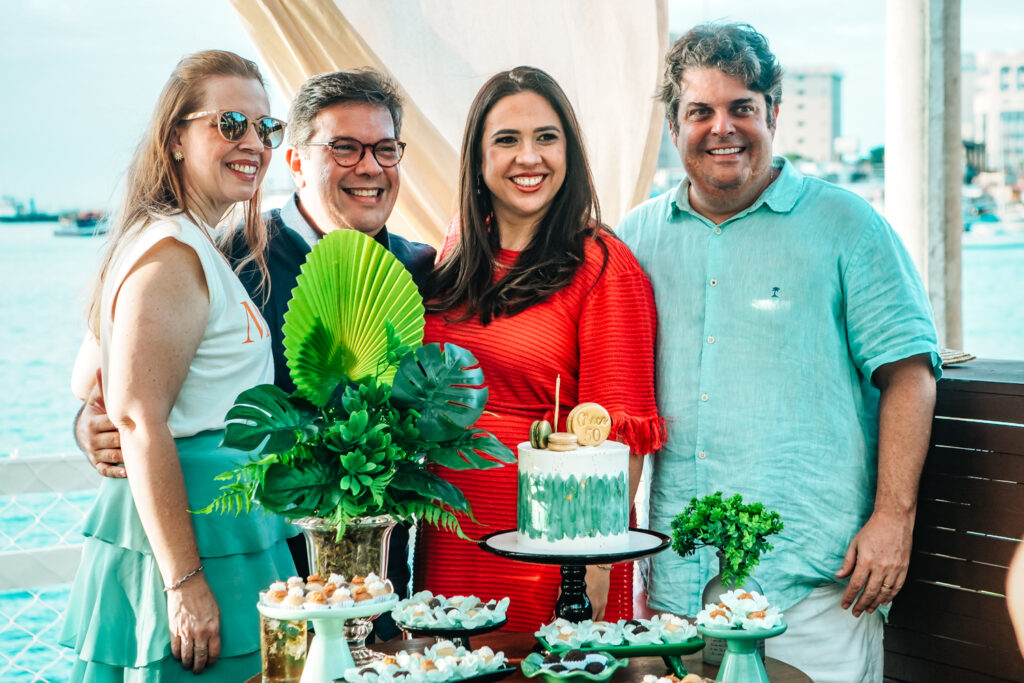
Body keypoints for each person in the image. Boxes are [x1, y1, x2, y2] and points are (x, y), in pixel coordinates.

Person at [616, 23, 940, 682]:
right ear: (674, 126)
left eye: (742, 107)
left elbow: (910, 372)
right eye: (700, 111)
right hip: (678, 592)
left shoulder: (850, 224)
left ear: (774, 114)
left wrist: (891, 517)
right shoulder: (633, 239)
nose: (722, 127)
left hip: (817, 586)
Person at [72, 69, 435, 641]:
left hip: (380, 577)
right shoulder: (227, 252)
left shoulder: (421, 269)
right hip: (258, 566)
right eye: (343, 147)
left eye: (385, 149)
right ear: (294, 162)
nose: (369, 167)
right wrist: (90, 424)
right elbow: (109, 372)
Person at [60, 50, 297, 679]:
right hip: (194, 539)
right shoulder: (171, 250)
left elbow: (91, 382)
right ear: (174, 139)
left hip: (221, 526)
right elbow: (138, 417)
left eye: (266, 128)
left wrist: (95, 420)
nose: (254, 142)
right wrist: (185, 583)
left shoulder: (182, 239)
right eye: (230, 124)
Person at [417, 66, 666, 632]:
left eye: (546, 138)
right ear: (478, 160)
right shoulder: (458, 246)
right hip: (451, 532)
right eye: (506, 140)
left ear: (569, 153)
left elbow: (620, 436)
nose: (529, 157)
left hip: (557, 544)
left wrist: (594, 566)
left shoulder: (604, 266)